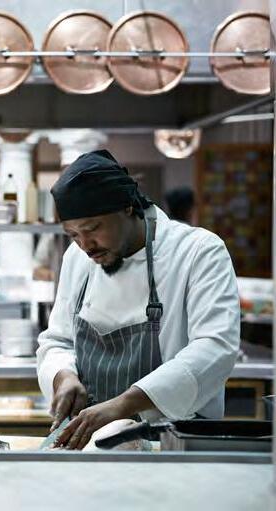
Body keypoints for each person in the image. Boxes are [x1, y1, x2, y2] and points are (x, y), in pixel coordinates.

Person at [36, 150, 239, 449]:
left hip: (175, 445)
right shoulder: (77, 259)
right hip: (92, 447)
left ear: (128, 207)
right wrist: (63, 377)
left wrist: (122, 406)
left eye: (92, 229)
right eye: (73, 235)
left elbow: (215, 347)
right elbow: (58, 340)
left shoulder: (198, 251)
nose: (85, 246)